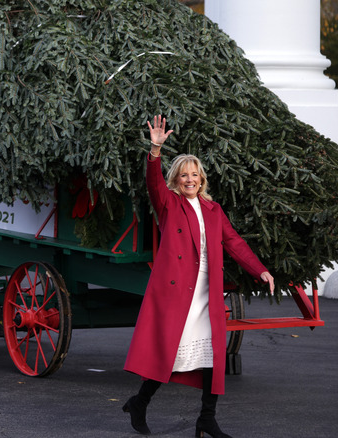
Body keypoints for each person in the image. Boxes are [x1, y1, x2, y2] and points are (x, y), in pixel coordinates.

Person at [122, 115, 275, 437]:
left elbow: (233, 241)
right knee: (171, 352)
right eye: (183, 175)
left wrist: (258, 268)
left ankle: (206, 419)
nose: (189, 180)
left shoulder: (213, 210)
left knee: (212, 355)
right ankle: (140, 401)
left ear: (202, 179)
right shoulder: (168, 204)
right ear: (175, 180)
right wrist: (155, 149)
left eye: (194, 175)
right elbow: (153, 184)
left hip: (207, 289)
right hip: (179, 291)